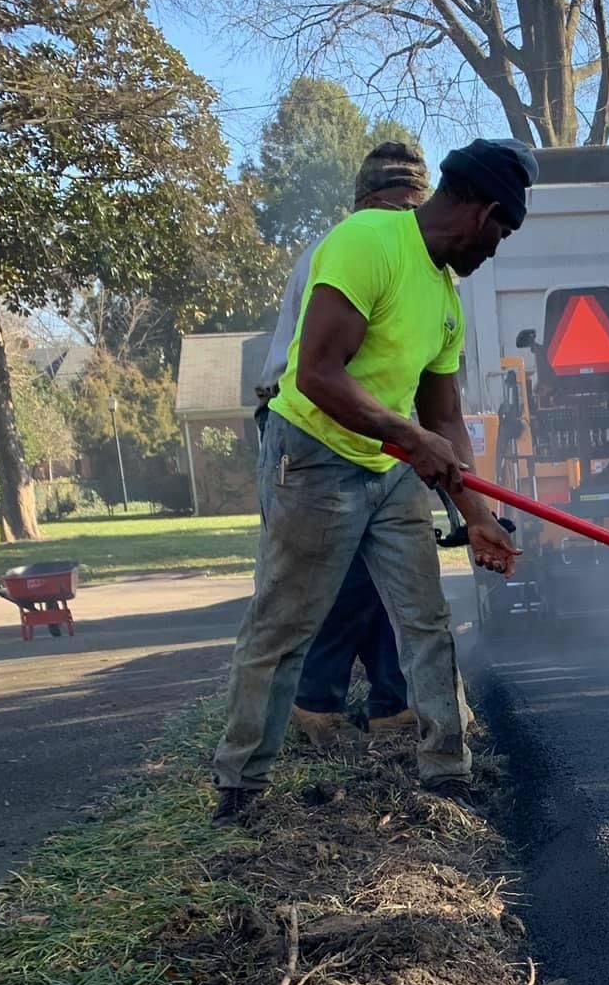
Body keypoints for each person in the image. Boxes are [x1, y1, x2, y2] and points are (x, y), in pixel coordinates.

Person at [212, 139, 533, 822]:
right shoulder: (368, 243)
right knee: (285, 623)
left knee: (426, 620)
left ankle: (448, 774)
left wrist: (475, 514)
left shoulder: (447, 301)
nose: (496, 251)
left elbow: (445, 416)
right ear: (483, 212)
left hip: (387, 469)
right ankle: (239, 787)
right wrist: (412, 438)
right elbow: (317, 374)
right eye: (502, 232)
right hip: (315, 456)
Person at [253, 139, 430, 741]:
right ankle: (314, 704)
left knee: (389, 575)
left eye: (412, 209)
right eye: (397, 207)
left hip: (378, 429)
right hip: (312, 425)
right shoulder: (348, 251)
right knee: (342, 572)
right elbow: (324, 372)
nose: (405, 221)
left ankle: (393, 704)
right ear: (366, 205)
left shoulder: (409, 258)